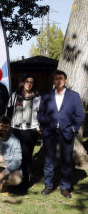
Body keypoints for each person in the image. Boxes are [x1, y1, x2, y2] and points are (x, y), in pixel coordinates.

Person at [37, 70, 84, 199]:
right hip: (50, 132)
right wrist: (45, 125)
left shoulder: (74, 96)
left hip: (67, 132)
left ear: (65, 80)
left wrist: (74, 128)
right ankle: (48, 185)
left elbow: (79, 115)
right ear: (53, 81)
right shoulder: (46, 95)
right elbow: (40, 114)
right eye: (56, 78)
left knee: (67, 161)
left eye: (61, 78)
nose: (58, 80)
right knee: (48, 161)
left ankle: (65, 187)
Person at [7, 74, 41, 191]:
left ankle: (25, 182)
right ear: (23, 82)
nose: (29, 84)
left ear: (33, 84)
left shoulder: (37, 97)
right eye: (27, 81)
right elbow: (8, 111)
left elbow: (41, 114)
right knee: (14, 156)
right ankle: (13, 180)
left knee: (26, 157)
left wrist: (38, 128)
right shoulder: (15, 96)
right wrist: (8, 127)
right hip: (15, 129)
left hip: (30, 130)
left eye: (31, 82)